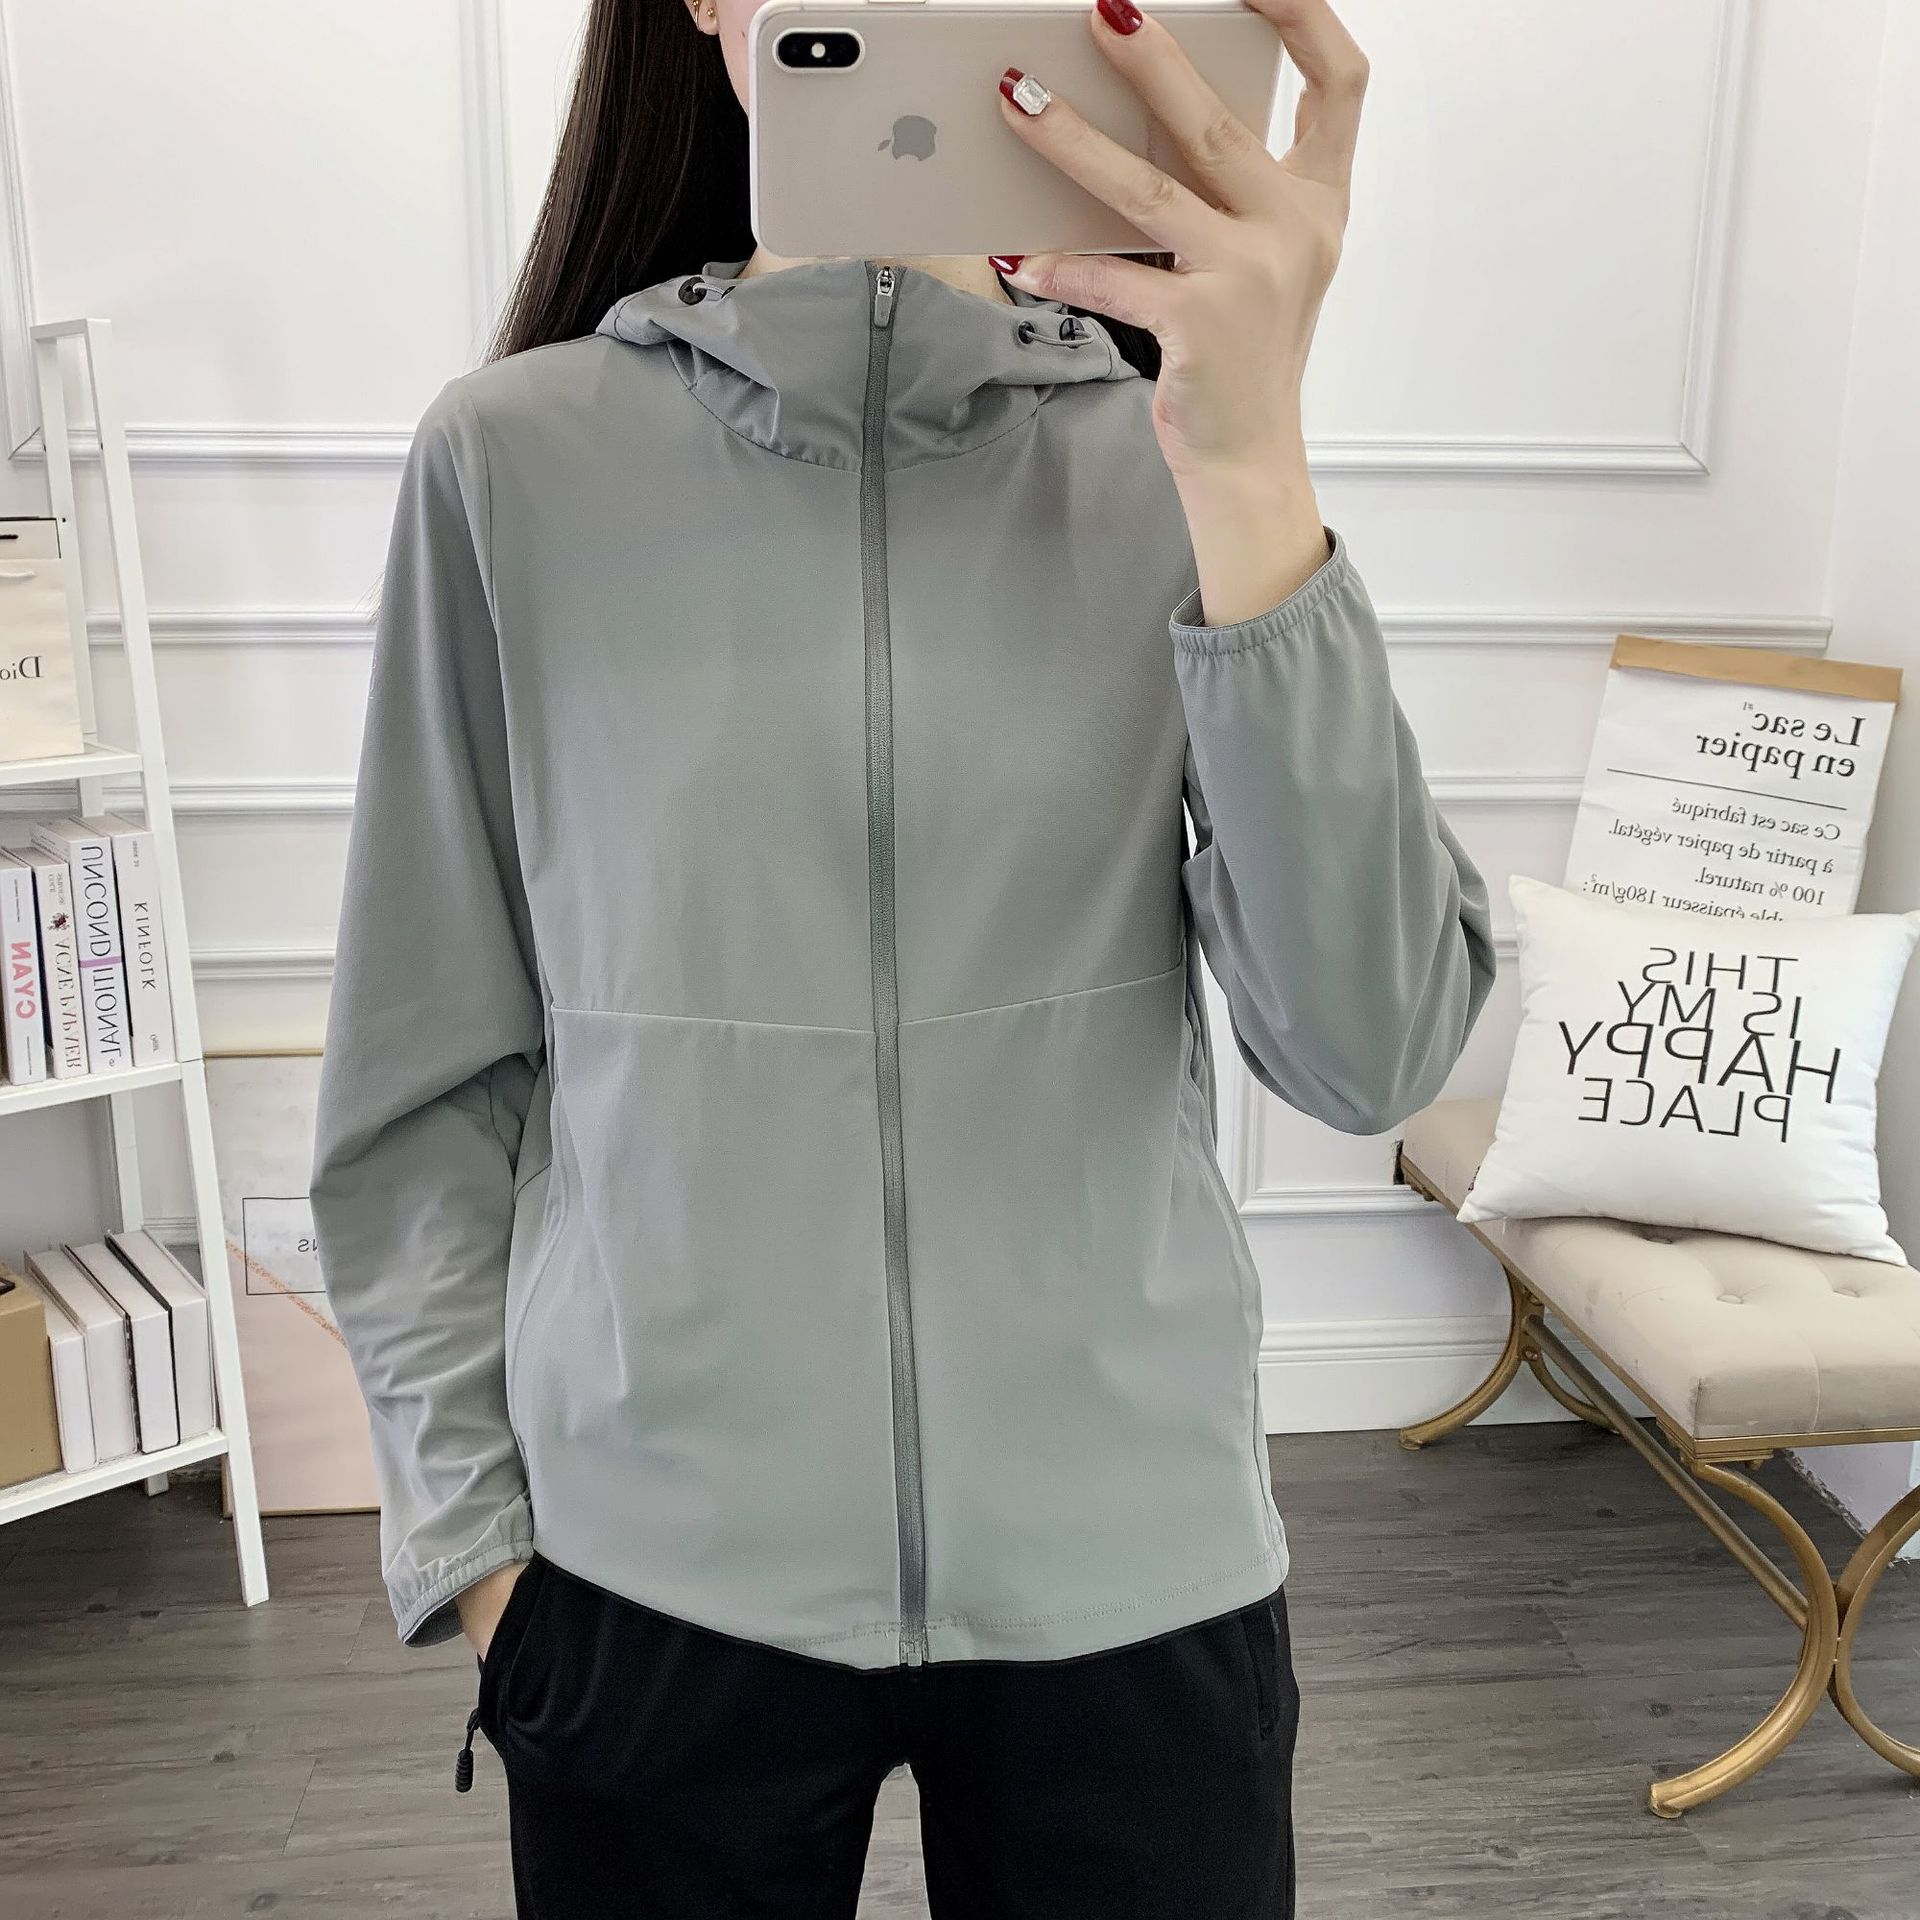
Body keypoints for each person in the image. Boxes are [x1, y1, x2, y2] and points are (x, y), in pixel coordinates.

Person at [309, 0, 1496, 1913]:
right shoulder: (512, 462)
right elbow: (423, 1077)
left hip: (1135, 1578)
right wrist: (482, 1559)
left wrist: (1253, 459)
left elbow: (1371, 1050)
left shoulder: (1179, 460)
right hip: (648, 1590)